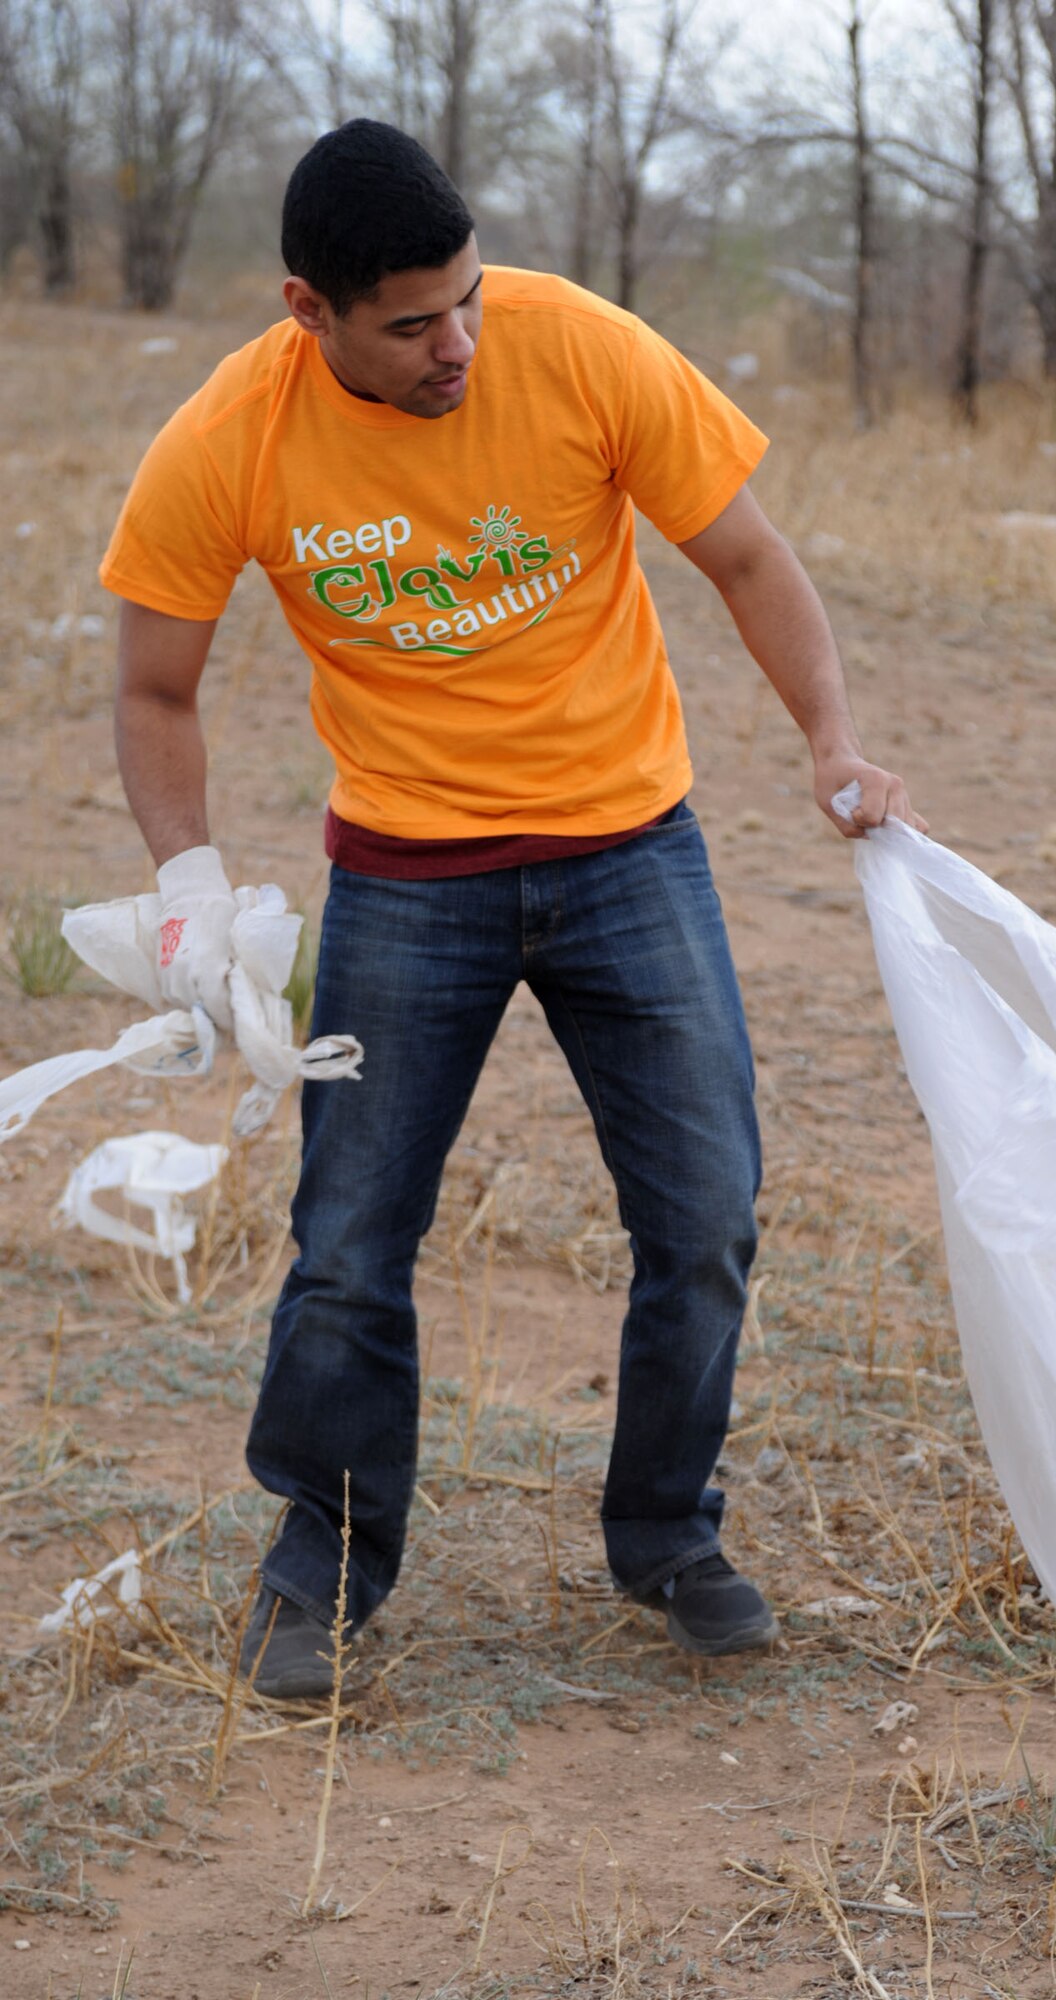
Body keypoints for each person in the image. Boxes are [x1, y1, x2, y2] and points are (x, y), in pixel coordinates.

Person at [101, 120, 923, 1699]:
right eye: (411, 323)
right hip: (406, 877)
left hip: (630, 852)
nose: (457, 345)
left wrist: (831, 740)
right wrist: (187, 885)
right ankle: (325, 1556)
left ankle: (666, 1533)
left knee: (706, 1215)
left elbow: (747, 558)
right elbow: (153, 685)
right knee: (351, 1242)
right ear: (307, 310)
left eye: (466, 300)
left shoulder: (582, 349)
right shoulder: (230, 438)